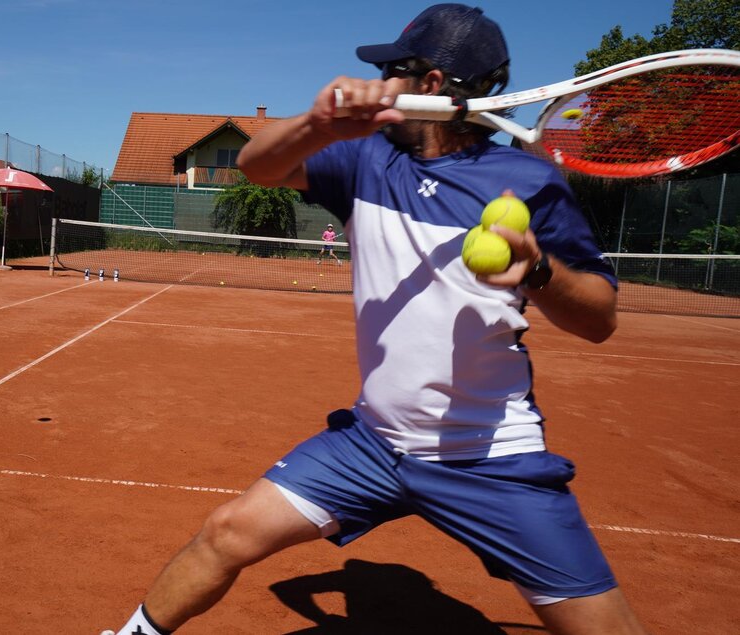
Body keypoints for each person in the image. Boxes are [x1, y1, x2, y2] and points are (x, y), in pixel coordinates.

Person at [102, 4, 649, 635]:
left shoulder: (526, 181)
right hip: (373, 444)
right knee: (227, 531)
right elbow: (257, 164)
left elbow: (601, 317)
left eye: (394, 69)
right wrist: (319, 121)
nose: (381, 79)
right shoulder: (365, 161)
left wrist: (539, 272)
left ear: (432, 85)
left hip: (491, 458)